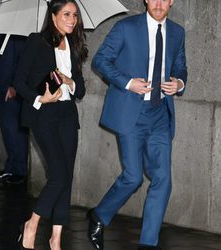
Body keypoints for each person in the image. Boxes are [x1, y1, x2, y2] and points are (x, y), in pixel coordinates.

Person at [87, 0, 187, 250]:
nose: (159, 3)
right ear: (145, 0)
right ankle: (99, 215)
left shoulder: (177, 32)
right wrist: (128, 82)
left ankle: (148, 243)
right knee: (133, 178)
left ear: (172, 1)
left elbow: (181, 67)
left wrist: (180, 83)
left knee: (163, 178)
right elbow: (100, 61)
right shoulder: (125, 28)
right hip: (131, 112)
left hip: (160, 114)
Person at [13, 0, 88, 249]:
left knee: (66, 175)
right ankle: (32, 224)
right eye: (66, 14)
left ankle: (56, 238)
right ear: (53, 16)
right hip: (44, 113)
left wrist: (70, 81)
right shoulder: (37, 41)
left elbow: (81, 89)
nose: (71, 19)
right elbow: (19, 81)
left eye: (75, 15)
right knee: (58, 175)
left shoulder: (74, 44)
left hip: (67, 114)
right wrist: (40, 98)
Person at [0, 34, 28, 185]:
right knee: (7, 131)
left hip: (11, 91)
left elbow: (23, 64)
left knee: (15, 131)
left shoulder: (19, 37)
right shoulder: (0, 35)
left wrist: (15, 87)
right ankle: (11, 168)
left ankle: (19, 171)